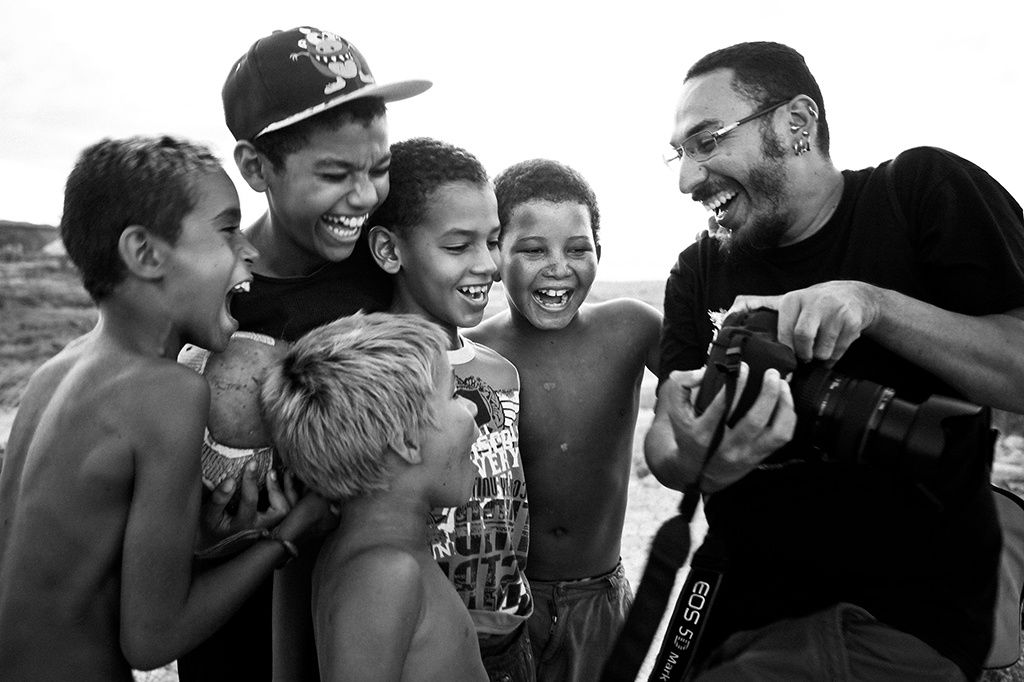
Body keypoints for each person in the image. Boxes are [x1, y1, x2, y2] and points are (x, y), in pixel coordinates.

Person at [645, 41, 1024, 681]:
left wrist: (872, 304)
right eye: (679, 153)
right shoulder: (699, 269)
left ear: (796, 123)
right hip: (741, 603)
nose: (687, 179)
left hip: (907, 613)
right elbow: (666, 444)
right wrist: (703, 457)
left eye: (706, 142)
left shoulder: (919, 193)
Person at [0, 136, 328, 681]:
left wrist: (203, 542)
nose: (248, 250)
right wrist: (289, 534)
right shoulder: (170, 392)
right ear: (146, 254)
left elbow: (70, 567)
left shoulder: (53, 373)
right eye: (227, 229)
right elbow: (152, 641)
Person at [178, 26, 431, 682]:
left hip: (368, 628)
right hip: (238, 639)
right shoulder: (206, 299)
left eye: (378, 168)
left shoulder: (386, 259)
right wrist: (207, 529)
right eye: (335, 174)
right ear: (255, 167)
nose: (365, 196)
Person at [466, 158, 661, 682]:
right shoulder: (472, 353)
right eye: (533, 250)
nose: (558, 267)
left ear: (600, 251)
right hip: (502, 607)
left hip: (599, 601)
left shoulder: (631, 328)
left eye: (578, 249)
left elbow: (703, 383)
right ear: (495, 253)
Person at [368, 137, 535, 682]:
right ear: (390, 251)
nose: (488, 264)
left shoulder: (500, 373)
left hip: (510, 638)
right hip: (422, 644)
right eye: (459, 245)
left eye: (492, 241)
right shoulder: (368, 377)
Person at [260, 312, 488, 682]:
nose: (472, 407)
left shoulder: (365, 551)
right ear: (406, 440)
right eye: (453, 394)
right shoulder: (385, 575)